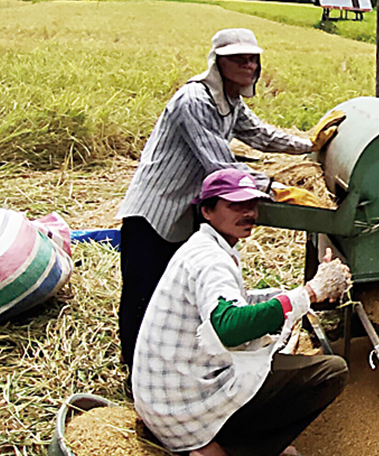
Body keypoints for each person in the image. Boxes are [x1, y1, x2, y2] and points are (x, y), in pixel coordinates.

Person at [116, 27, 340, 368]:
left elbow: (260, 135)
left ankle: (170, 360)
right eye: (238, 59)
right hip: (155, 209)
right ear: (217, 63)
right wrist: (274, 188)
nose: (248, 66)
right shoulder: (194, 100)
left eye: (252, 59)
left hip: (186, 209)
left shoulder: (230, 101)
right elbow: (219, 164)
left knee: (175, 293)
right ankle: (135, 368)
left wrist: (308, 144)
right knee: (142, 293)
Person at [132, 169, 352, 456]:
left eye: (252, 204)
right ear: (207, 210)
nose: (248, 213)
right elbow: (231, 327)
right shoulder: (211, 261)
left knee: (272, 351)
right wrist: (310, 293)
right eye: (235, 205)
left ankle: (212, 437)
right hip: (180, 410)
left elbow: (241, 303)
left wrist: (305, 293)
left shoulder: (205, 246)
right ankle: (224, 451)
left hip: (161, 397)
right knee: (331, 372)